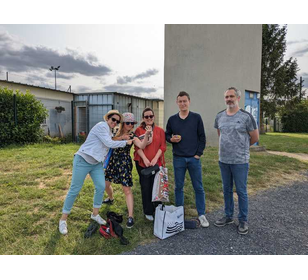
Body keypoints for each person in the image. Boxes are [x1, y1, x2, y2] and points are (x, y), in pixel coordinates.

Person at [59, 110, 133, 235]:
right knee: (75, 189)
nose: (115, 122)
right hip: (83, 159)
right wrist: (125, 142)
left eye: (117, 121)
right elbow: (109, 143)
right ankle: (63, 219)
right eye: (113, 119)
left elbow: (111, 139)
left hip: (96, 164)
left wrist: (121, 137)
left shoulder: (108, 131)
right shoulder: (101, 126)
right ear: (107, 118)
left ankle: (95, 214)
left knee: (100, 186)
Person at [214, 87, 259, 235]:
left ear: (238, 98)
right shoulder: (220, 116)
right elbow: (220, 134)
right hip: (224, 160)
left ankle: (243, 220)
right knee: (226, 189)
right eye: (226, 97)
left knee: (241, 191)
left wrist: (242, 148)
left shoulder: (246, 117)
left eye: (231, 96)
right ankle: (228, 216)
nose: (229, 99)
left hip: (240, 161)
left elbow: (255, 137)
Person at [165, 91, 209, 228]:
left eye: (185, 101)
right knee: (179, 187)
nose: (183, 103)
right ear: (177, 103)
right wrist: (171, 139)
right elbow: (167, 135)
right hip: (178, 158)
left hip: (193, 159)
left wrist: (198, 154)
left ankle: (201, 214)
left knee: (198, 187)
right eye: (180, 101)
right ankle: (179, 213)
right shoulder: (172, 119)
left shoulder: (196, 118)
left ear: (189, 102)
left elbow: (202, 137)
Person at [102, 112, 151, 228]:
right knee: (105, 184)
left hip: (124, 162)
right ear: (123, 123)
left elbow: (142, 146)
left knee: (126, 189)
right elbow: (109, 140)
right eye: (128, 123)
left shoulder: (132, 135)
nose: (130, 125)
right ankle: (111, 198)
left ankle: (130, 216)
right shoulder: (113, 131)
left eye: (132, 123)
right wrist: (121, 138)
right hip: (113, 161)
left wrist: (147, 134)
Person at [134, 107, 166, 221]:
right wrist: (145, 159)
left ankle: (157, 207)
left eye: (151, 116)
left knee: (157, 186)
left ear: (154, 117)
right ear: (143, 118)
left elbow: (162, 146)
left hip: (157, 163)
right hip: (143, 163)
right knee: (146, 187)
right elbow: (137, 147)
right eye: (146, 116)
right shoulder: (138, 131)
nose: (149, 118)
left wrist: (155, 159)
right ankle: (148, 211)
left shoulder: (160, 131)